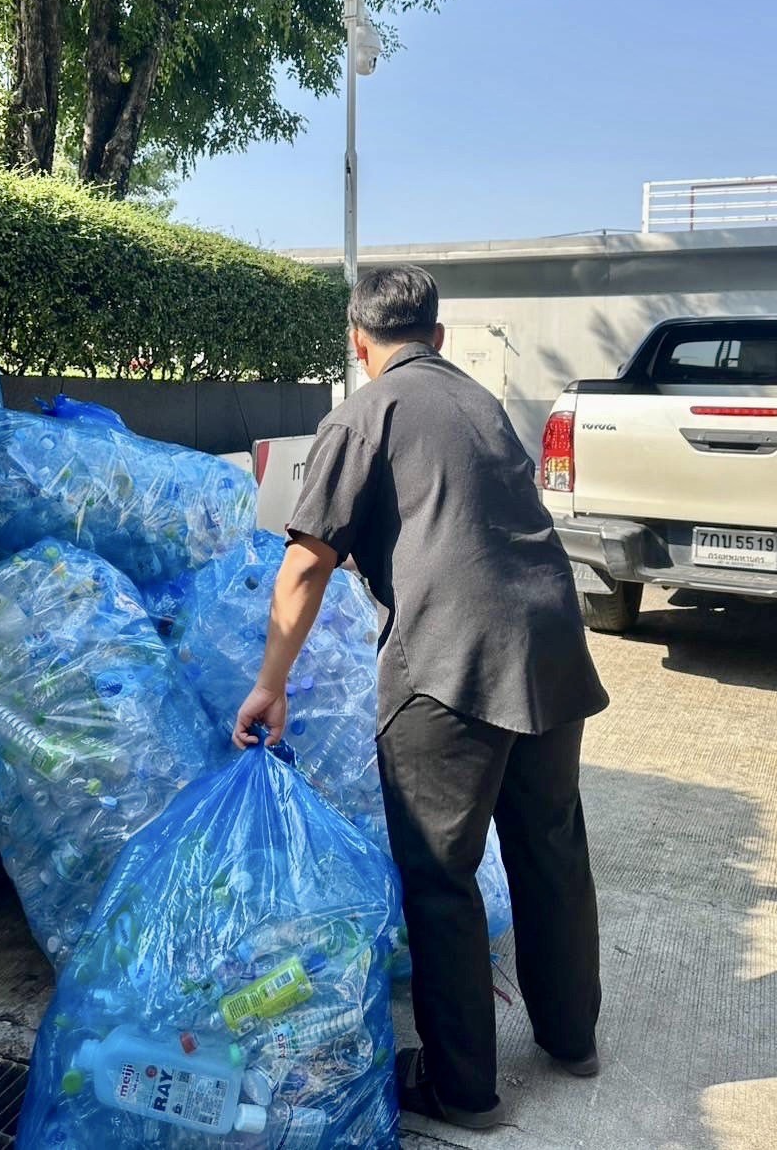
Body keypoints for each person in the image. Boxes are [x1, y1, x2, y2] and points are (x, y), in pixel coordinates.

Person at [233, 265, 609, 1130]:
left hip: (452, 660)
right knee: (549, 845)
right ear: (436, 337)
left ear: (358, 342)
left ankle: (463, 1089)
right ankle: (571, 1038)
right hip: (552, 647)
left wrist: (270, 684)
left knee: (440, 876)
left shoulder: (363, 413)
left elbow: (306, 562)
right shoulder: (481, 403)